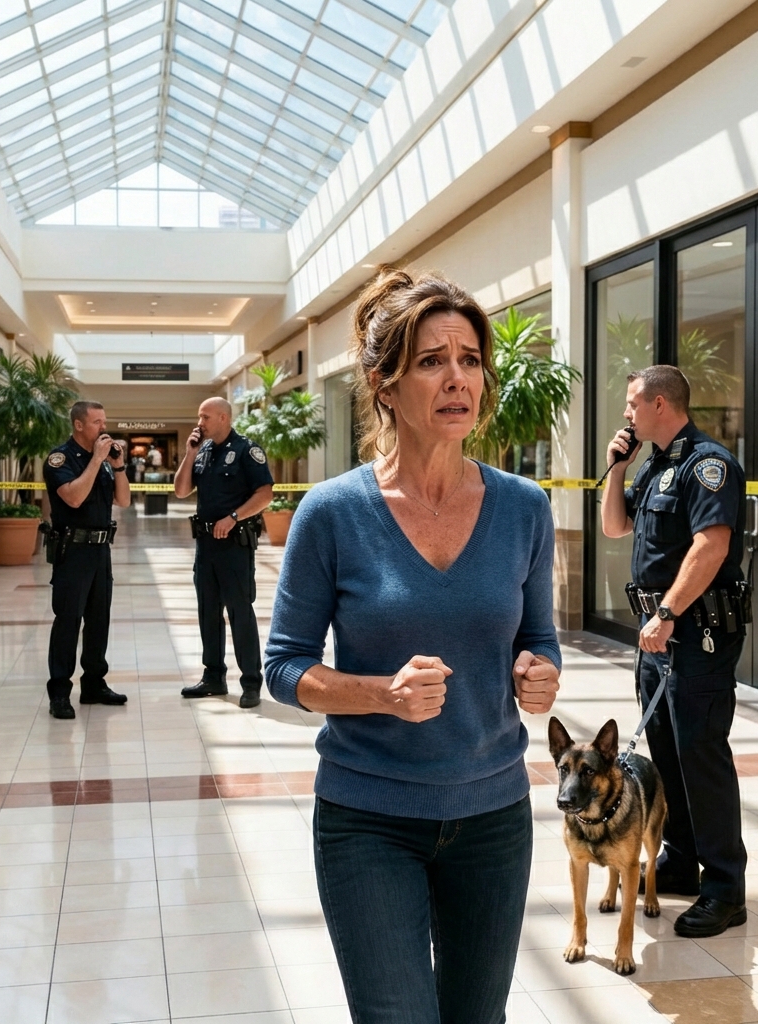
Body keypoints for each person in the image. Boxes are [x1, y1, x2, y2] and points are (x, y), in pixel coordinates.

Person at [264, 269, 561, 1024]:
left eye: (470, 359)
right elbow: (283, 665)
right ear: (385, 385)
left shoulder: (524, 508)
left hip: (493, 815)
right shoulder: (332, 514)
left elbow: (538, 638)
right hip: (368, 817)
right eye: (432, 360)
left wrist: (540, 672)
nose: (458, 378)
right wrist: (379, 694)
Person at [601, 364, 748, 939]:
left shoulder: (706, 465)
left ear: (661, 404)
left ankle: (725, 889)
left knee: (702, 756)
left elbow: (711, 547)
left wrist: (667, 613)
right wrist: (618, 467)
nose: (628, 414)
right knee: (666, 753)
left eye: (633, 404)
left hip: (694, 636)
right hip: (658, 640)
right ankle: (682, 861)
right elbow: (615, 526)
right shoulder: (658, 464)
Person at [173, 398, 273, 709]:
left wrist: (234, 517)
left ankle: (251, 682)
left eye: (205, 416)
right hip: (206, 546)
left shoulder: (246, 450)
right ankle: (213, 677)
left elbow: (265, 494)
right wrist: (189, 453)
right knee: (208, 613)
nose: (199, 421)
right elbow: (180, 490)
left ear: (223, 417)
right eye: (198, 415)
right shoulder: (202, 451)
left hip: (234, 547)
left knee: (240, 613)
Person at [42, 400, 131, 719]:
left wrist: (118, 466)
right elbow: (74, 497)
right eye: (96, 422)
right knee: (68, 621)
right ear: (79, 425)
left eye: (104, 421)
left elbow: (124, 500)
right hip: (72, 551)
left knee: (98, 620)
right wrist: (96, 460)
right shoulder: (60, 459)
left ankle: (94, 683)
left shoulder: (106, 461)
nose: (103, 428)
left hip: (100, 551)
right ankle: (60, 693)